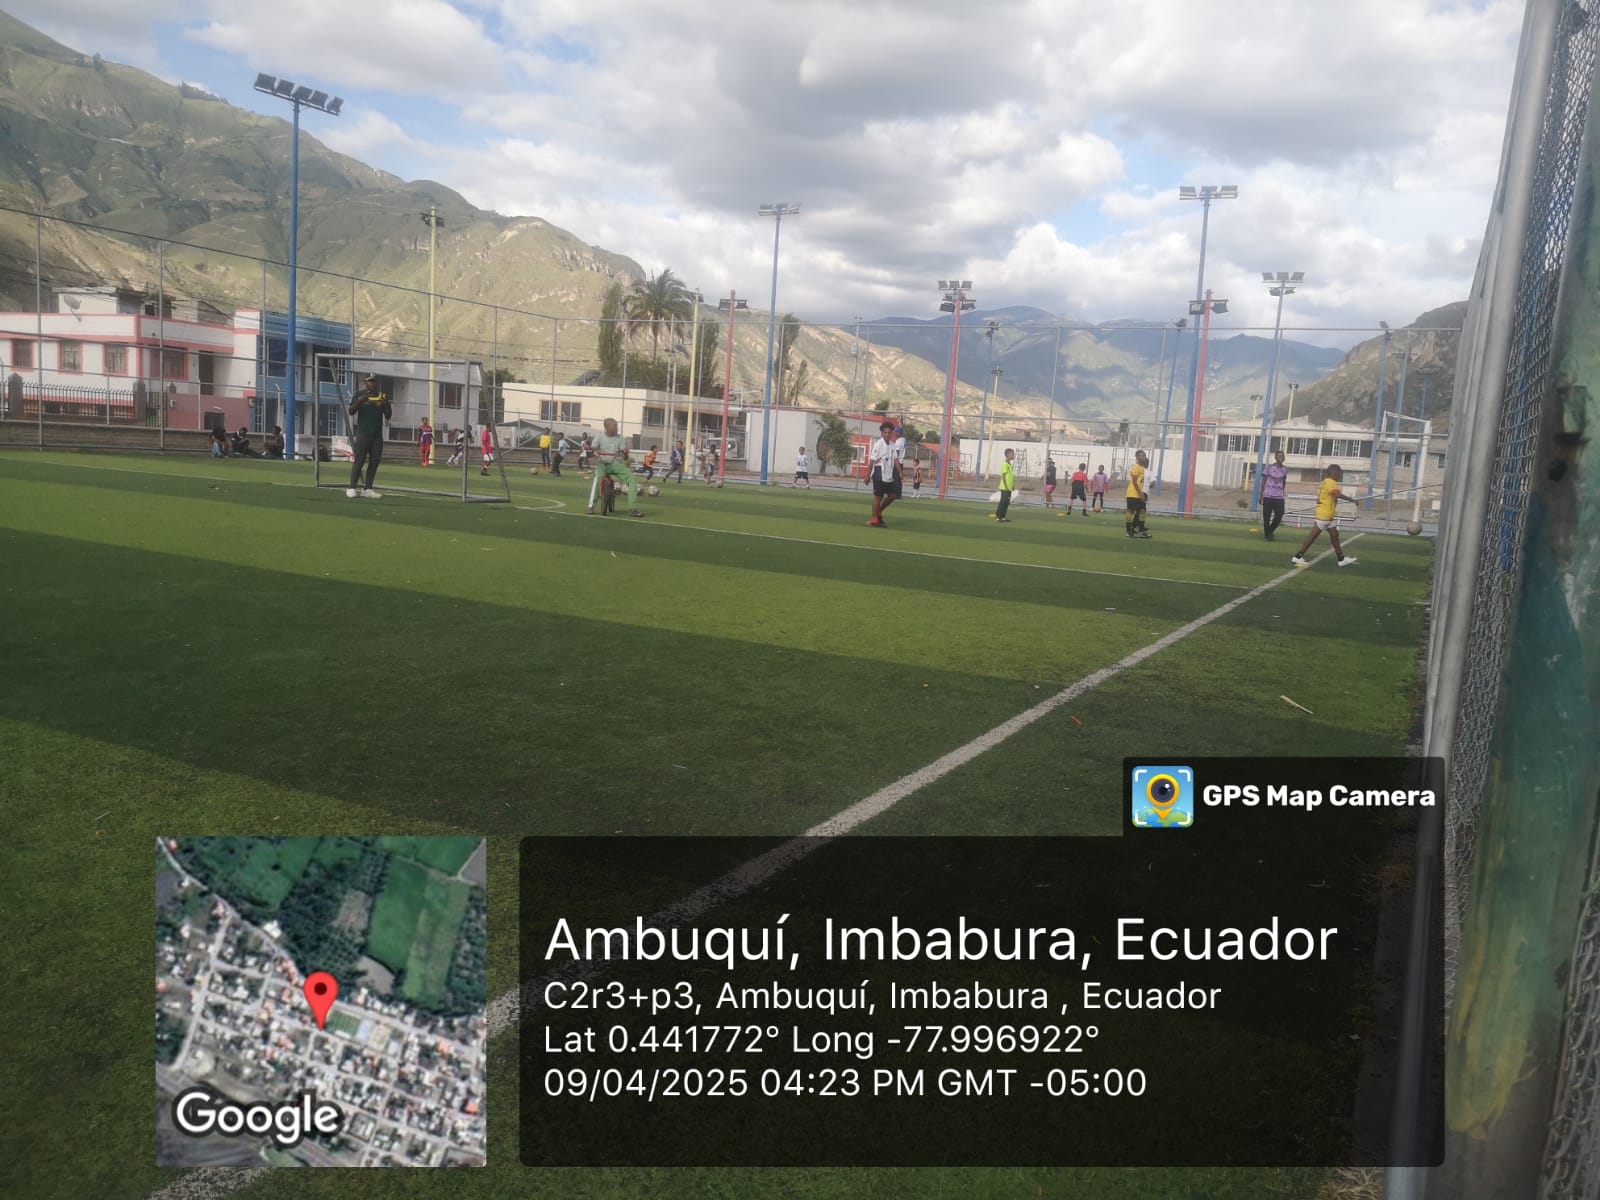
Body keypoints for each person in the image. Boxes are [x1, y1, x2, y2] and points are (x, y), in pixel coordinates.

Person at [1291, 464, 1360, 567]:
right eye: (1339, 473)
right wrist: (1352, 500)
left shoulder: (1325, 482)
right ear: (1334, 473)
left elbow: (1328, 496)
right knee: (1313, 536)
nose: (1339, 475)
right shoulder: (1331, 482)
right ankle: (1298, 556)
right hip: (1325, 515)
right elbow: (1336, 493)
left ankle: (1341, 559)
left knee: (1334, 534)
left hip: (1326, 514)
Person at [346, 373, 392, 498]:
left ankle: (368, 488)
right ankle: (351, 487)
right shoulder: (359, 394)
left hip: (377, 435)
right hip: (363, 434)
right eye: (370, 381)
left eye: (374, 381)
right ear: (365, 382)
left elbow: (388, 415)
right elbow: (351, 411)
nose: (372, 383)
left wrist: (386, 404)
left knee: (375, 461)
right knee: (359, 460)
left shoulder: (380, 396)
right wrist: (360, 401)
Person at [588, 417, 643, 516]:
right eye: (615, 426)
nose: (617, 427)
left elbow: (624, 455)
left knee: (632, 478)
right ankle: (591, 506)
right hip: (602, 463)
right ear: (607, 427)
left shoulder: (620, 438)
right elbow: (594, 447)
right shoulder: (599, 437)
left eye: (616, 425)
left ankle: (633, 508)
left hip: (616, 463)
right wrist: (591, 448)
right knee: (597, 478)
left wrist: (625, 452)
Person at [867, 420, 899, 526]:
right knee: (878, 497)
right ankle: (875, 520)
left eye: (889, 432)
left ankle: (878, 512)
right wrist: (867, 476)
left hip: (889, 474)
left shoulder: (892, 444)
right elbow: (872, 460)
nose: (887, 434)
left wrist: (900, 473)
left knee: (893, 496)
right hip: (879, 473)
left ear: (892, 433)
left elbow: (896, 459)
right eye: (885, 432)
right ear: (882, 433)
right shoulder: (878, 444)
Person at [1260, 450, 1289, 541]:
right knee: (1266, 517)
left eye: (1282, 456)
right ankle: (1267, 536)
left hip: (1279, 497)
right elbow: (1263, 482)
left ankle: (1270, 531)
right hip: (1268, 495)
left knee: (1279, 515)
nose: (1281, 458)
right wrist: (1261, 495)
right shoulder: (1268, 467)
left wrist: (1282, 493)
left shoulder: (1285, 469)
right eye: (1279, 456)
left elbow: (1283, 482)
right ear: (1275, 457)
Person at [1125, 449, 1151, 538]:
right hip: (1132, 493)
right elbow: (1134, 482)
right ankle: (1129, 531)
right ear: (1137, 457)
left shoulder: (1142, 468)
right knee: (1130, 511)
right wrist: (1141, 494)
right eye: (1142, 456)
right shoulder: (1135, 467)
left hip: (1138, 493)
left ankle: (1140, 530)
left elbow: (1140, 482)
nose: (1144, 457)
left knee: (1142, 510)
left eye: (1145, 455)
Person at [995, 448, 1017, 522]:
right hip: (1005, 487)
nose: (1013, 456)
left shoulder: (1010, 464)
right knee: (1003, 502)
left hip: (1009, 487)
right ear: (1008, 455)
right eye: (1012, 454)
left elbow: (1010, 476)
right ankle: (998, 517)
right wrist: (1006, 486)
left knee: (1007, 503)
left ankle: (1003, 516)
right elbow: (1003, 476)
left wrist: (1012, 485)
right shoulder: (1005, 464)